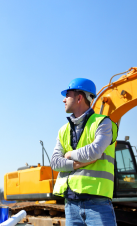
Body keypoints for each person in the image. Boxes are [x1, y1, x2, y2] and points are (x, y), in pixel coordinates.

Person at [51, 78, 118, 226]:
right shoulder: (63, 130)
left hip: (97, 204)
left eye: (67, 95)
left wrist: (68, 155)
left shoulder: (103, 123)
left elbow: (94, 151)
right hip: (71, 205)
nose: (64, 100)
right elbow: (55, 162)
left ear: (79, 98)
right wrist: (76, 164)